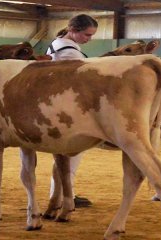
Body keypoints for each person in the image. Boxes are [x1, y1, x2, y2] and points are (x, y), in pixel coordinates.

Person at [45, 14, 98, 208]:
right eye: (86, 34)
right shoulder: (68, 52)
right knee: (71, 155)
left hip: (60, 104)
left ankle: (62, 194)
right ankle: (62, 196)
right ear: (73, 30)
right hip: (67, 107)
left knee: (67, 156)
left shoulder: (61, 45)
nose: (89, 39)